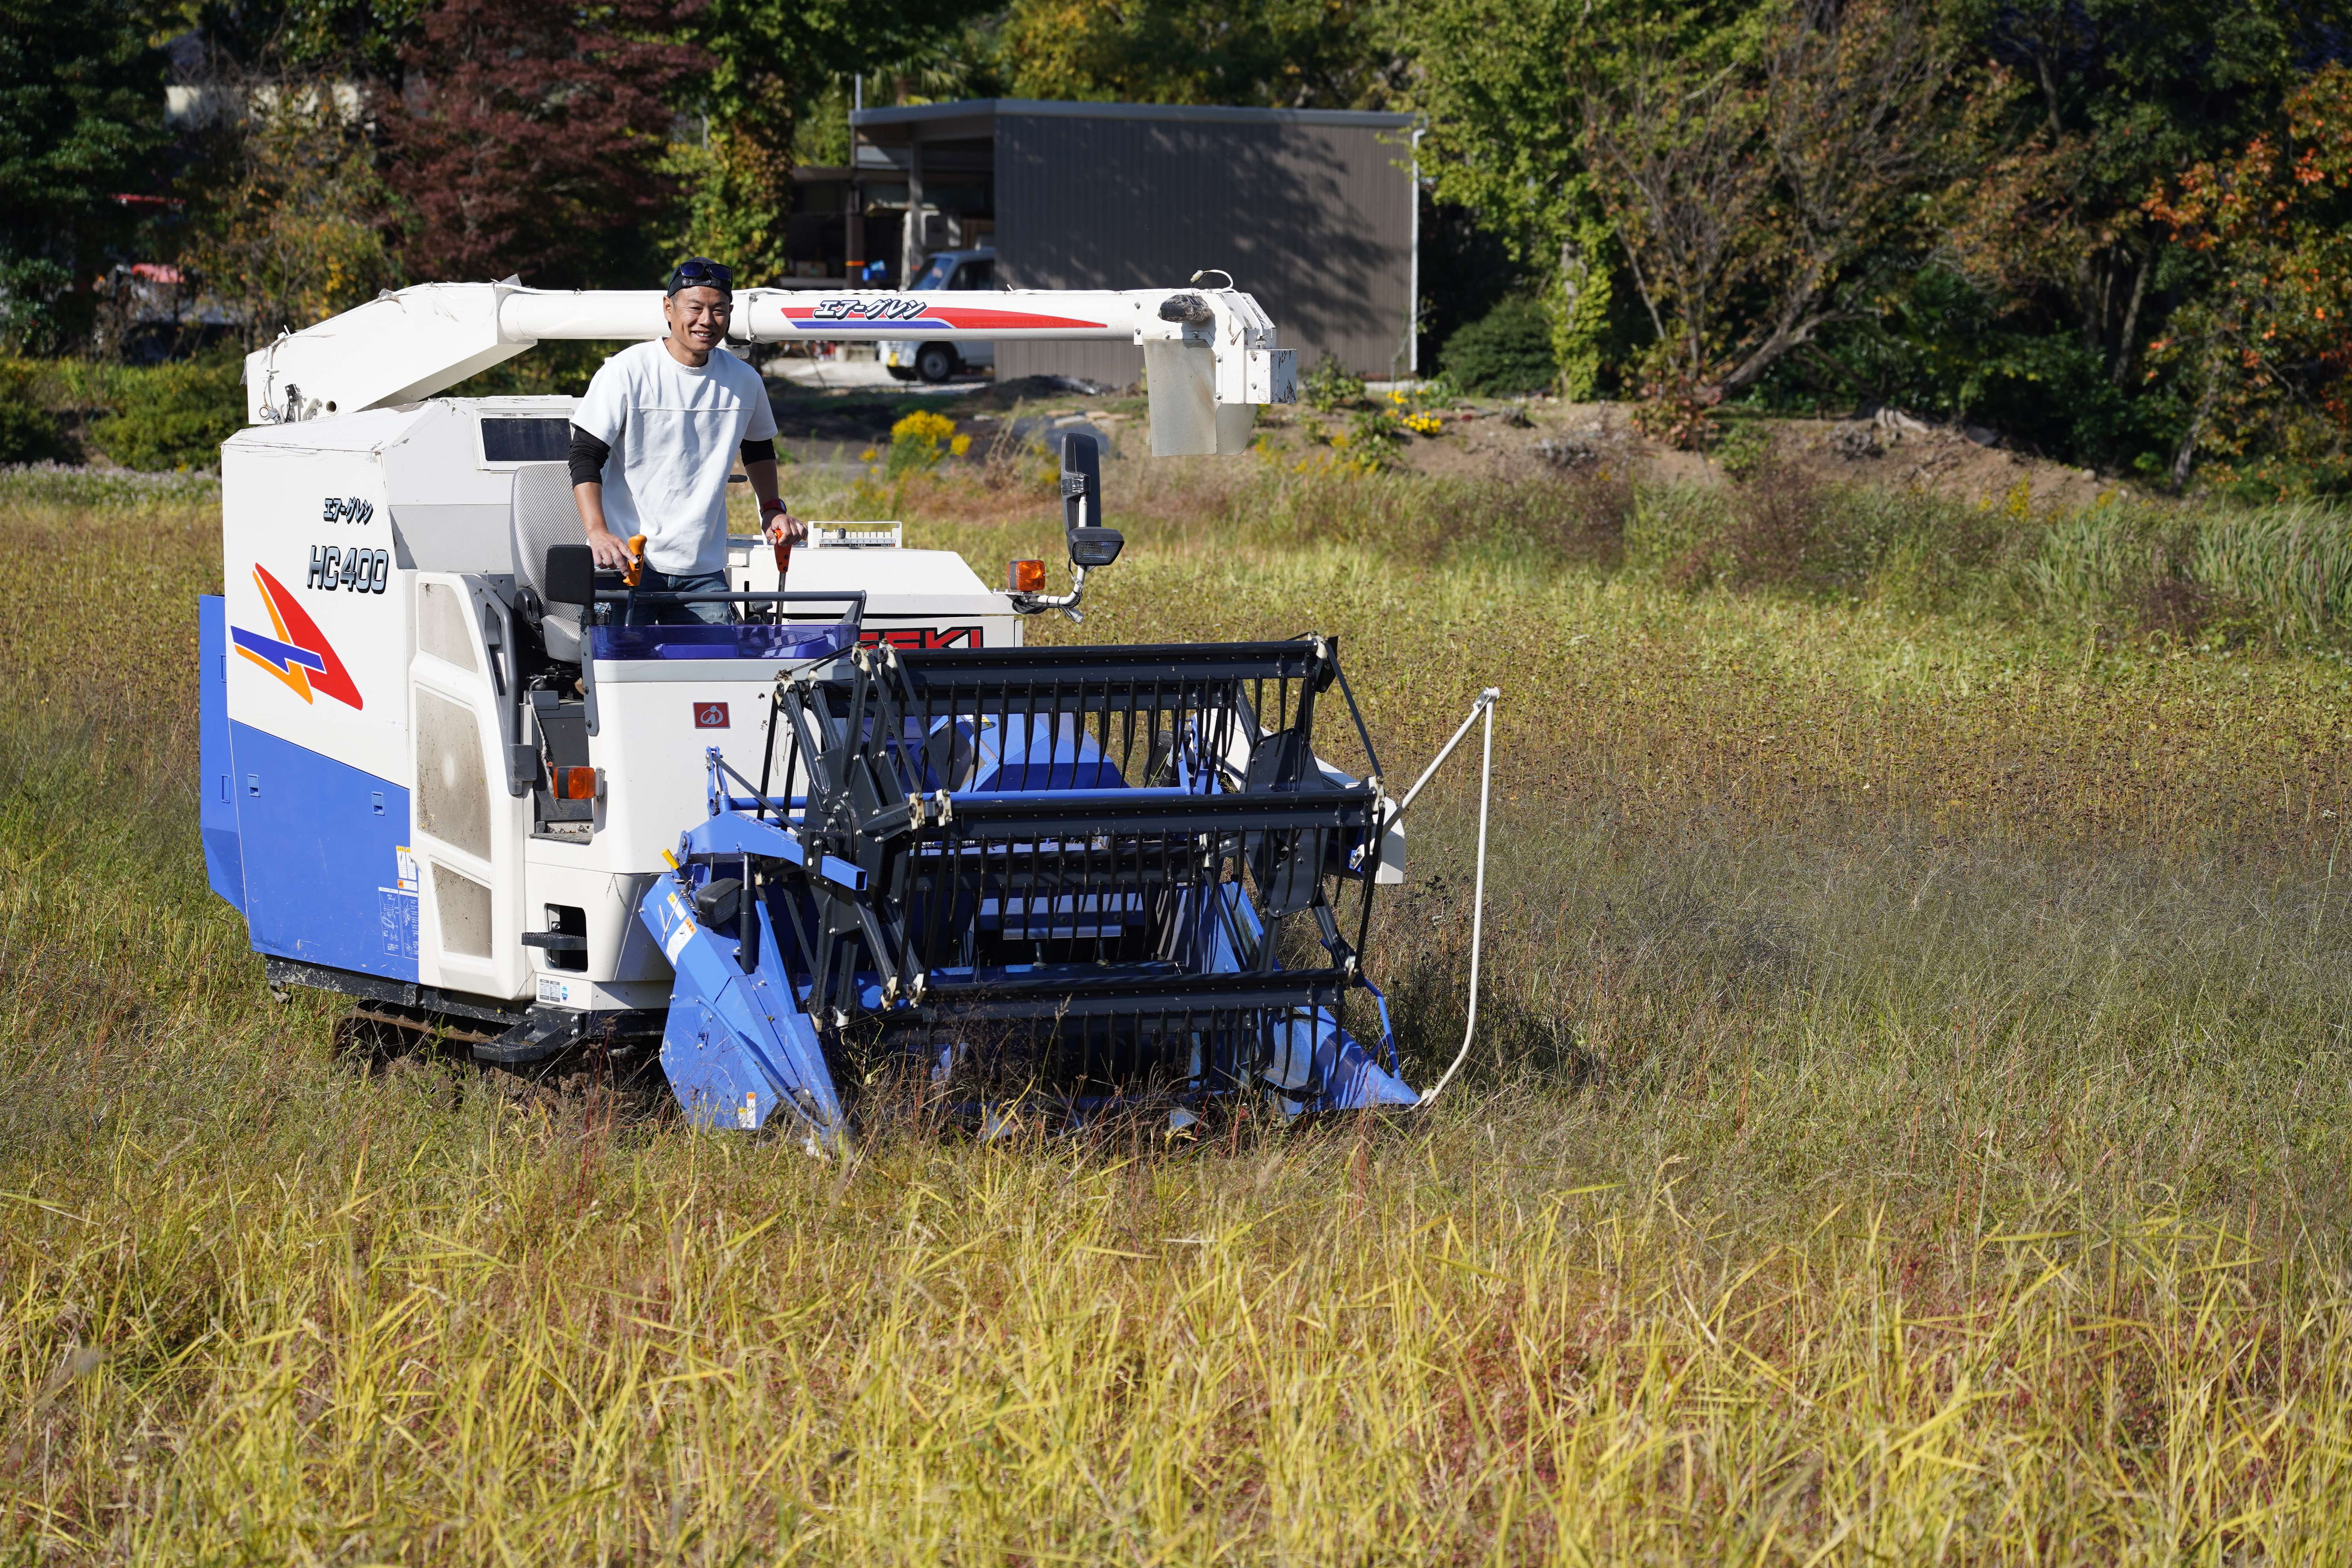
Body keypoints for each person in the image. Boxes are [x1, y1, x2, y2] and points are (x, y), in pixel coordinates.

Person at [568, 258, 805, 625]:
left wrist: (771, 508)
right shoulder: (626, 371)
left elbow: (758, 449)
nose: (707, 321)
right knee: (624, 674)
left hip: (703, 568)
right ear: (668, 308)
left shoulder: (744, 380)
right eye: (694, 308)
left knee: (713, 673)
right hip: (628, 562)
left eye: (719, 310)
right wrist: (597, 533)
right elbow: (585, 455)